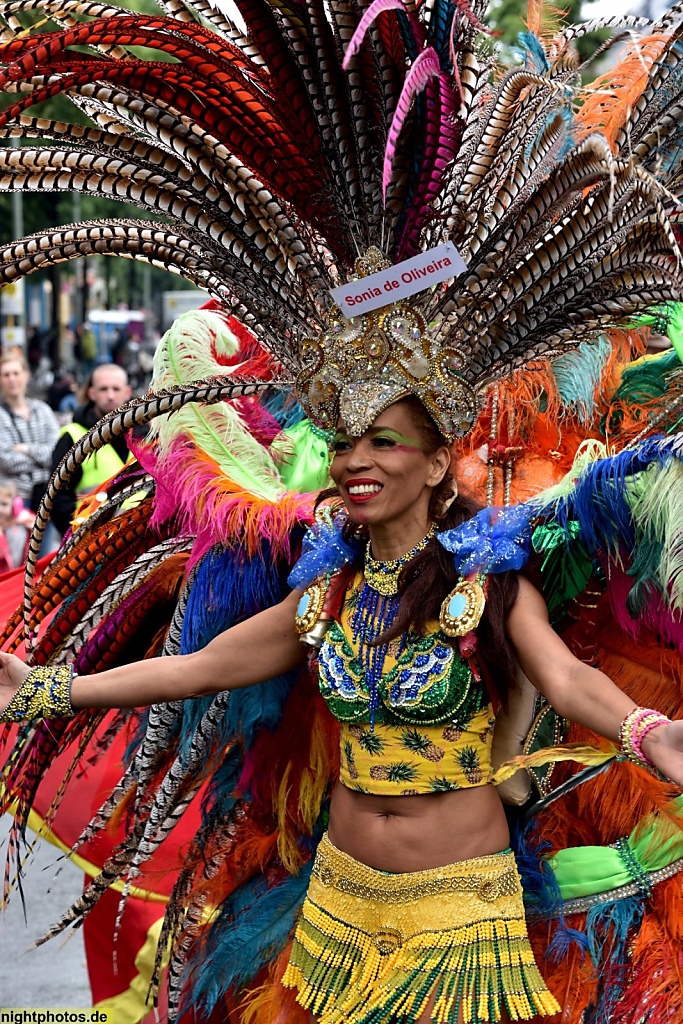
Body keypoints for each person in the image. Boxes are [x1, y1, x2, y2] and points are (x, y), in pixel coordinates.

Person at [1, 1, 683, 1021]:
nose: (355, 462)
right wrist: (49, 687)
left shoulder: (487, 582)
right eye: (348, 440)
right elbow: (200, 665)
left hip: (462, 920)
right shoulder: (325, 593)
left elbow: (564, 677)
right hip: (331, 911)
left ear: (433, 463)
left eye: (383, 442)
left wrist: (643, 733)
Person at [49, 364, 132, 535]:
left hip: (139, 541)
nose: (110, 395)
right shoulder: (73, 436)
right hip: (90, 544)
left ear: (127, 392)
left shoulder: (144, 435)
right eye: (103, 389)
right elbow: (57, 497)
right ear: (91, 393)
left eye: (116, 389)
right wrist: (74, 538)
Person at [0, 350, 60, 515]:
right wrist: (43, 459)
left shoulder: (42, 410)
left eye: (16, 373)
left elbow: (56, 453)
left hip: (49, 496)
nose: (12, 379)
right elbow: (6, 461)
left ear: (26, 375)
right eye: (6, 375)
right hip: (16, 500)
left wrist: (26, 449)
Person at [0, 476, 33, 573]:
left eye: (4, 504)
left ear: (15, 505)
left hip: (16, 572)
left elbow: (36, 520)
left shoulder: (21, 520)